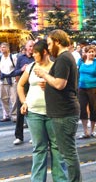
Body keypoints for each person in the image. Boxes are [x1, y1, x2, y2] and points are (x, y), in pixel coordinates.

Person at [34, 29, 82, 182]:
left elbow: (60, 84)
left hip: (64, 113)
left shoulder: (63, 58)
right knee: (67, 151)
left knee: (68, 153)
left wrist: (44, 74)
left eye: (49, 44)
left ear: (57, 41)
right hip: (63, 112)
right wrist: (48, 84)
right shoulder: (66, 57)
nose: (47, 48)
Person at [17, 40, 67, 182]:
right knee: (39, 148)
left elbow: (63, 87)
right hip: (34, 113)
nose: (32, 56)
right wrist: (24, 102)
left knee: (57, 148)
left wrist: (50, 85)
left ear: (44, 52)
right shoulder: (31, 67)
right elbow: (20, 85)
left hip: (53, 113)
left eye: (35, 53)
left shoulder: (55, 67)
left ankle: (61, 179)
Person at [14, 40, 35, 145]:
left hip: (33, 87)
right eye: (30, 46)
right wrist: (22, 69)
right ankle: (19, 136)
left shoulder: (36, 58)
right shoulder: (21, 58)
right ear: (26, 47)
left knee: (32, 113)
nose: (32, 48)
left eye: (33, 46)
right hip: (22, 87)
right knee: (20, 112)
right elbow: (15, 72)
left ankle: (34, 135)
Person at [0, 42, 17, 122]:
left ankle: (15, 116)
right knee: (3, 98)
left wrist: (16, 78)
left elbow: (17, 68)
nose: (2, 49)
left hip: (12, 79)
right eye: (1, 47)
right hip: (2, 80)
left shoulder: (13, 57)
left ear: (8, 48)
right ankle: (6, 115)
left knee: (14, 98)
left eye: (4, 47)